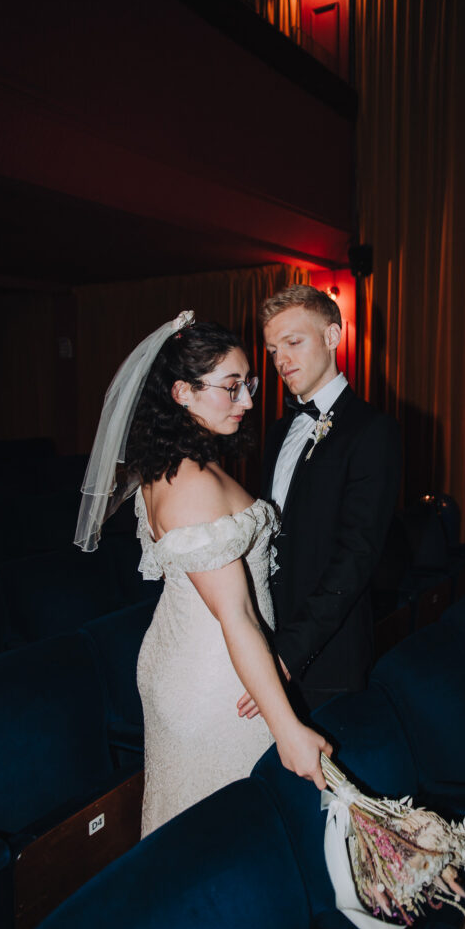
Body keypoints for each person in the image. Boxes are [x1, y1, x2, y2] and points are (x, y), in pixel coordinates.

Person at [75, 311, 331, 838]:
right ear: (181, 393)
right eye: (232, 387)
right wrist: (289, 729)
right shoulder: (190, 483)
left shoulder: (189, 461)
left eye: (248, 384)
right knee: (216, 838)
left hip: (207, 657)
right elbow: (235, 615)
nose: (249, 401)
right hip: (212, 677)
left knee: (218, 836)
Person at [237, 285, 402, 718]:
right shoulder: (276, 432)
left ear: (332, 336)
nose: (281, 361)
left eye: (293, 342)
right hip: (266, 636)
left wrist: (289, 653)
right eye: (273, 350)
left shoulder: (373, 430)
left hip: (328, 655)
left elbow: (357, 557)